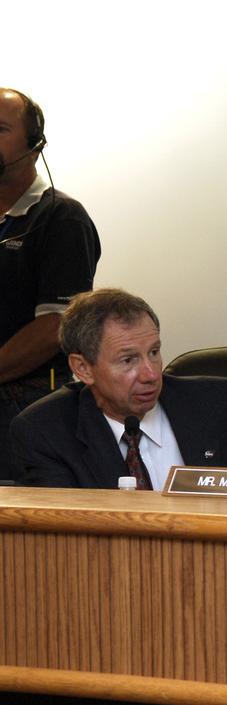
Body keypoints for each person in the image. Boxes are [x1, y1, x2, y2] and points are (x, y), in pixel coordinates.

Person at [10, 289, 227, 489]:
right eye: (128, 360)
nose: (151, 373)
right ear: (83, 369)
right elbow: (58, 538)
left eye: (154, 352)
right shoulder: (46, 431)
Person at [0, 88, 100, 481]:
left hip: (23, 401)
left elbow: (57, 325)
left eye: (0, 129)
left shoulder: (61, 218)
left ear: (35, 145)